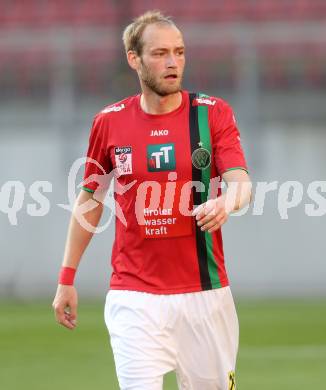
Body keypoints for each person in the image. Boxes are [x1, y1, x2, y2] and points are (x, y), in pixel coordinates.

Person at [52, 10, 252, 390]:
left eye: (179, 51)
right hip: (134, 297)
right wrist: (67, 278)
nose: (173, 62)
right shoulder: (109, 122)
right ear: (134, 58)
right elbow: (91, 198)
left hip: (205, 297)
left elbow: (240, 181)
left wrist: (227, 202)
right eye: (160, 53)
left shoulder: (211, 114)